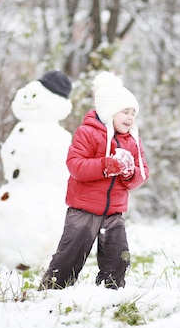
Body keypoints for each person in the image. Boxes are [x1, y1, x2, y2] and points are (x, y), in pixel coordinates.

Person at [39, 71, 149, 290]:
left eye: (133, 113)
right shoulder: (88, 133)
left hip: (114, 212)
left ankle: (111, 289)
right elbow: (76, 166)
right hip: (83, 211)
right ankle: (53, 288)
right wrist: (105, 165)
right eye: (124, 112)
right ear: (109, 112)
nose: (130, 118)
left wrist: (129, 172)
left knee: (118, 255)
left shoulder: (132, 141)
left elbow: (142, 173)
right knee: (70, 254)